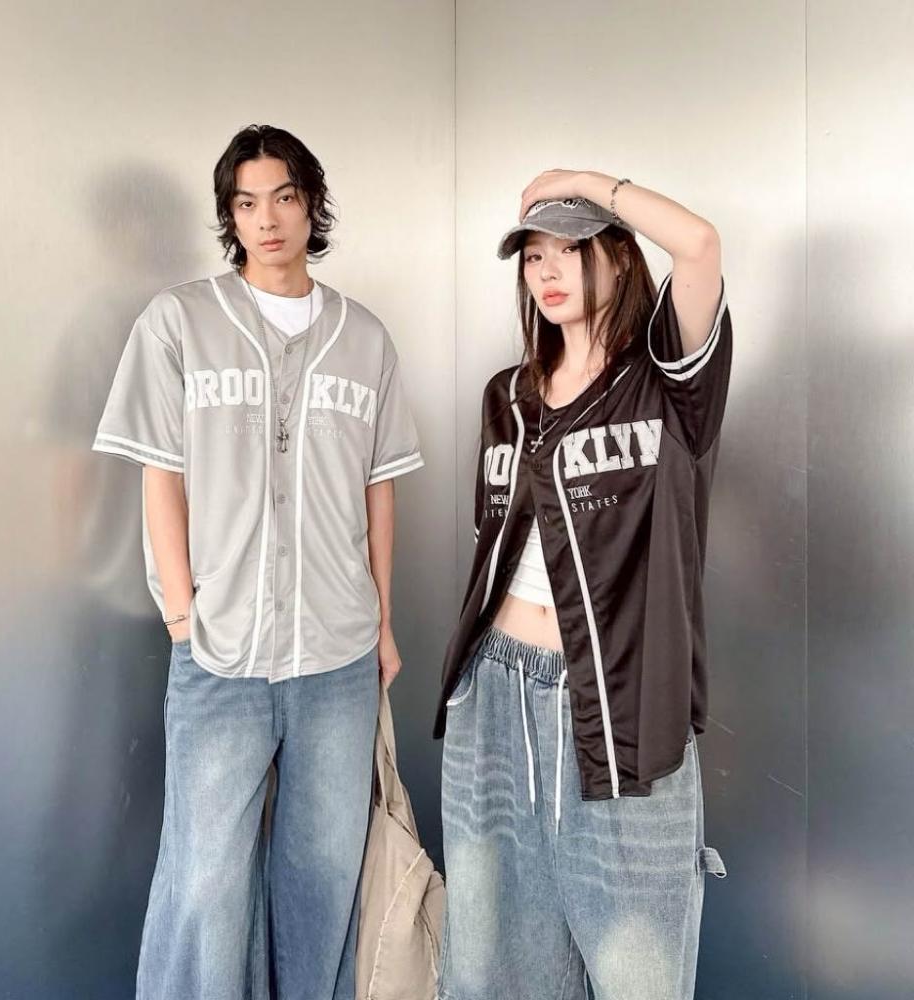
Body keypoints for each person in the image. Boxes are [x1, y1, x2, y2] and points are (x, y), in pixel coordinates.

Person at [92, 124, 424, 1000]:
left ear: (311, 205)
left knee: (322, 882)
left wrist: (385, 623)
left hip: (338, 657)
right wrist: (181, 614)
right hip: (220, 652)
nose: (266, 220)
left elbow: (378, 490)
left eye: (283, 197)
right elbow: (160, 475)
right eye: (246, 203)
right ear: (229, 217)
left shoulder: (365, 339)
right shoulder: (179, 322)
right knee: (203, 882)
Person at [433, 172, 731, 1000]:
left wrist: (581, 183)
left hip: (620, 703)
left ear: (619, 258)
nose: (549, 270)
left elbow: (700, 244)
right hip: (496, 697)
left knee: (639, 967)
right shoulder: (506, 396)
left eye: (572, 248)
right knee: (492, 966)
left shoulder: (667, 384)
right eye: (534, 255)